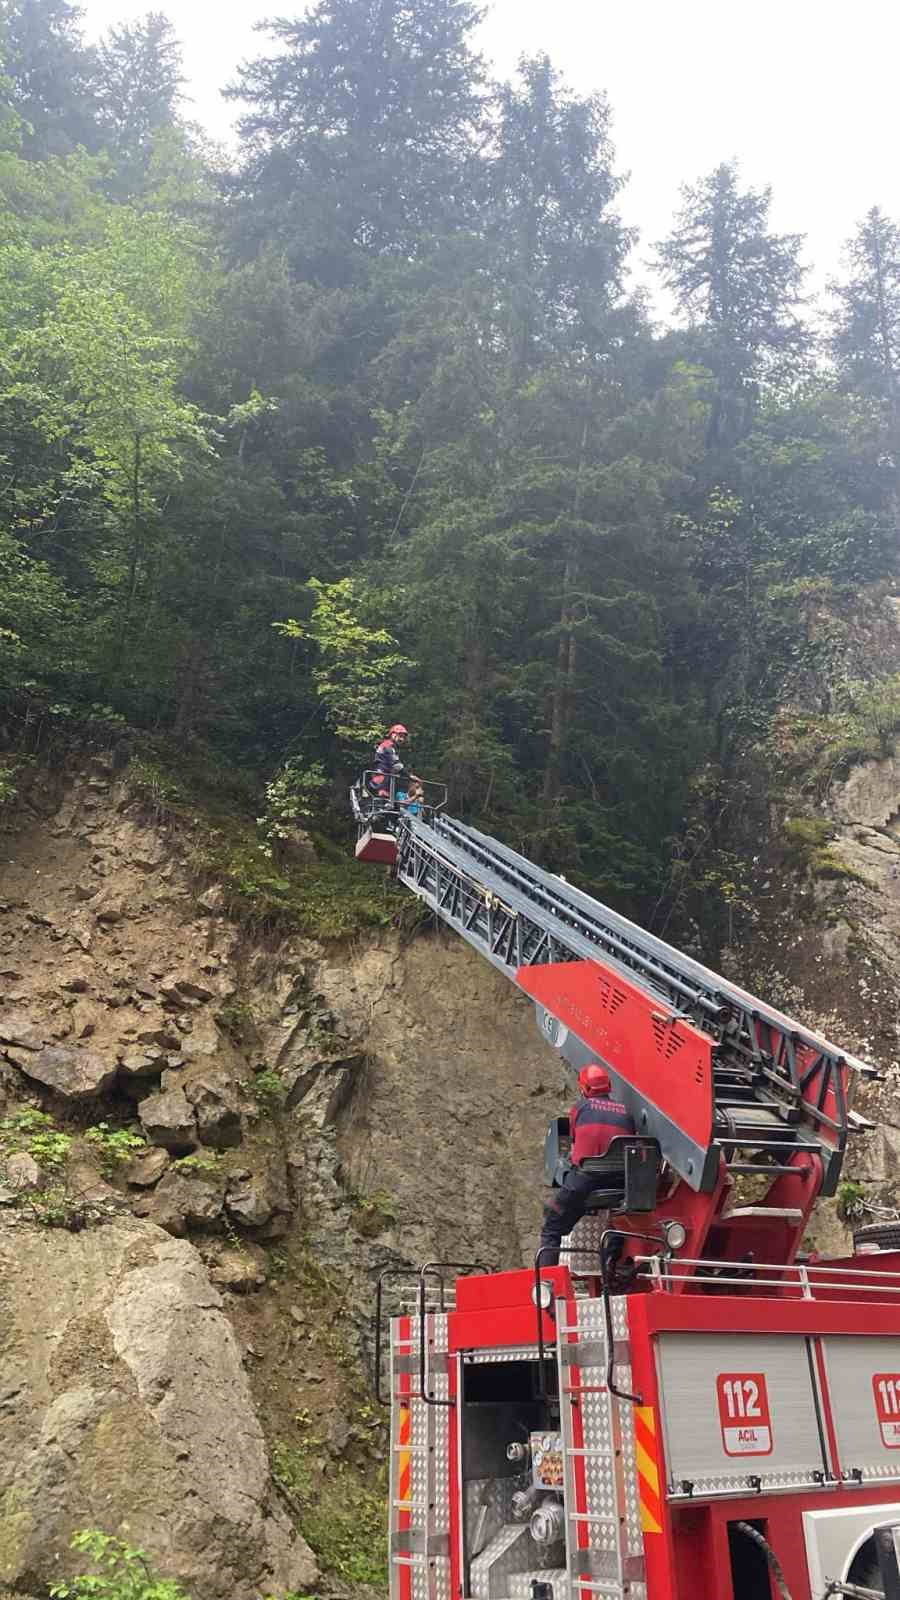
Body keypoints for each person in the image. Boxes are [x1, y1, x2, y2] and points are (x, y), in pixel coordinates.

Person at [538, 1064, 635, 1268]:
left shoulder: (580, 1108)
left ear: (584, 1089)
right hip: (620, 1184)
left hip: (585, 1181)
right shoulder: (626, 1113)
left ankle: (546, 1282)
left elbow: (575, 1142)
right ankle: (611, 1264)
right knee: (617, 1225)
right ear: (608, 1086)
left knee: (553, 1222)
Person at [367, 724, 416, 805]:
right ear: (393, 735)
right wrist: (409, 776)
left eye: (403, 737)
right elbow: (396, 765)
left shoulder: (391, 747)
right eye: (400, 736)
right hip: (381, 779)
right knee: (383, 802)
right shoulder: (388, 746)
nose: (402, 739)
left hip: (386, 779)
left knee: (391, 804)